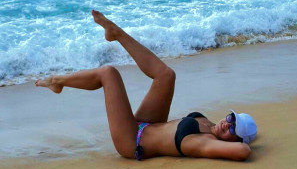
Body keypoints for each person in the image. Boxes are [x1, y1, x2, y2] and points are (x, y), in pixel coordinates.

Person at [35, 10, 257, 161]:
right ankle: (116, 33)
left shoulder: (204, 142)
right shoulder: (210, 125)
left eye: (233, 130)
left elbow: (243, 150)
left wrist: (244, 142)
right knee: (167, 76)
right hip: (148, 123)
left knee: (108, 73)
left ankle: (57, 82)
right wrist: (244, 132)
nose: (227, 124)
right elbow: (241, 138)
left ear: (235, 140)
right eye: (231, 119)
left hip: (133, 140)